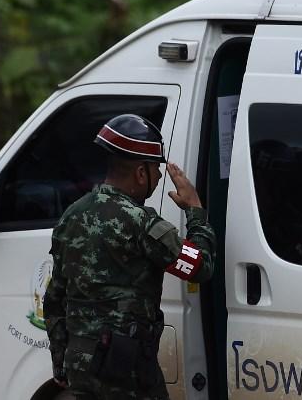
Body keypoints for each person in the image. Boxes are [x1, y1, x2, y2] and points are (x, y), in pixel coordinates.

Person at [43, 114, 216, 400]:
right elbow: (200, 267)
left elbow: (54, 298)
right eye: (155, 170)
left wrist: (61, 360)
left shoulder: (71, 216)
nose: (160, 177)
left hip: (80, 365)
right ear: (139, 173)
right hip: (126, 369)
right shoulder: (141, 223)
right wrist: (195, 210)